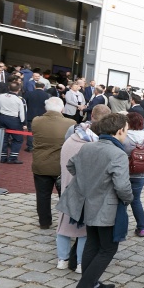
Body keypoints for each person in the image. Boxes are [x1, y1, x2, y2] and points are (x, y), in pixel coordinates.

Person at [57, 113, 134, 288]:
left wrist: (89, 182)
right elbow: (123, 187)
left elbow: (71, 165)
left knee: (93, 243)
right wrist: (129, 200)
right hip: (105, 208)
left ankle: (92, 283)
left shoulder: (88, 147)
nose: (127, 133)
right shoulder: (118, 154)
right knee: (108, 248)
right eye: (126, 129)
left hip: (87, 205)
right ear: (119, 131)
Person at [55, 104, 111, 273]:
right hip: (85, 191)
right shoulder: (94, 145)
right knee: (83, 230)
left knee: (63, 226)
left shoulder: (72, 137)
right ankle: (80, 263)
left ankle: (62, 260)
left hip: (66, 186)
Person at [31, 98, 75, 230]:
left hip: (41, 164)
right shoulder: (70, 123)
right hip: (61, 165)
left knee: (42, 195)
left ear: (46, 108)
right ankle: (66, 222)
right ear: (62, 109)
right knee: (65, 195)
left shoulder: (36, 121)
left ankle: (44, 222)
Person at [123, 112, 144, 237]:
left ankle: (121, 229)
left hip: (124, 173)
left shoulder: (124, 136)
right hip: (140, 174)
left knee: (122, 201)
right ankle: (141, 228)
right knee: (136, 200)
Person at [0, 81, 27, 163]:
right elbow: (23, 112)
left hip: (2, 117)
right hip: (14, 120)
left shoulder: (0, 96)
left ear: (9, 87)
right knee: (18, 139)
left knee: (3, 138)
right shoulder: (20, 99)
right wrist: (23, 123)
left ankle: (2, 157)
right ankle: (12, 157)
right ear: (19, 89)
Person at [24, 82, 51, 151]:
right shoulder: (47, 95)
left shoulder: (29, 93)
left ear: (35, 86)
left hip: (30, 114)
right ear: (43, 87)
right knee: (40, 131)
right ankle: (38, 145)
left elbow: (24, 103)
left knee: (30, 131)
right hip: (42, 115)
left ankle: (30, 146)